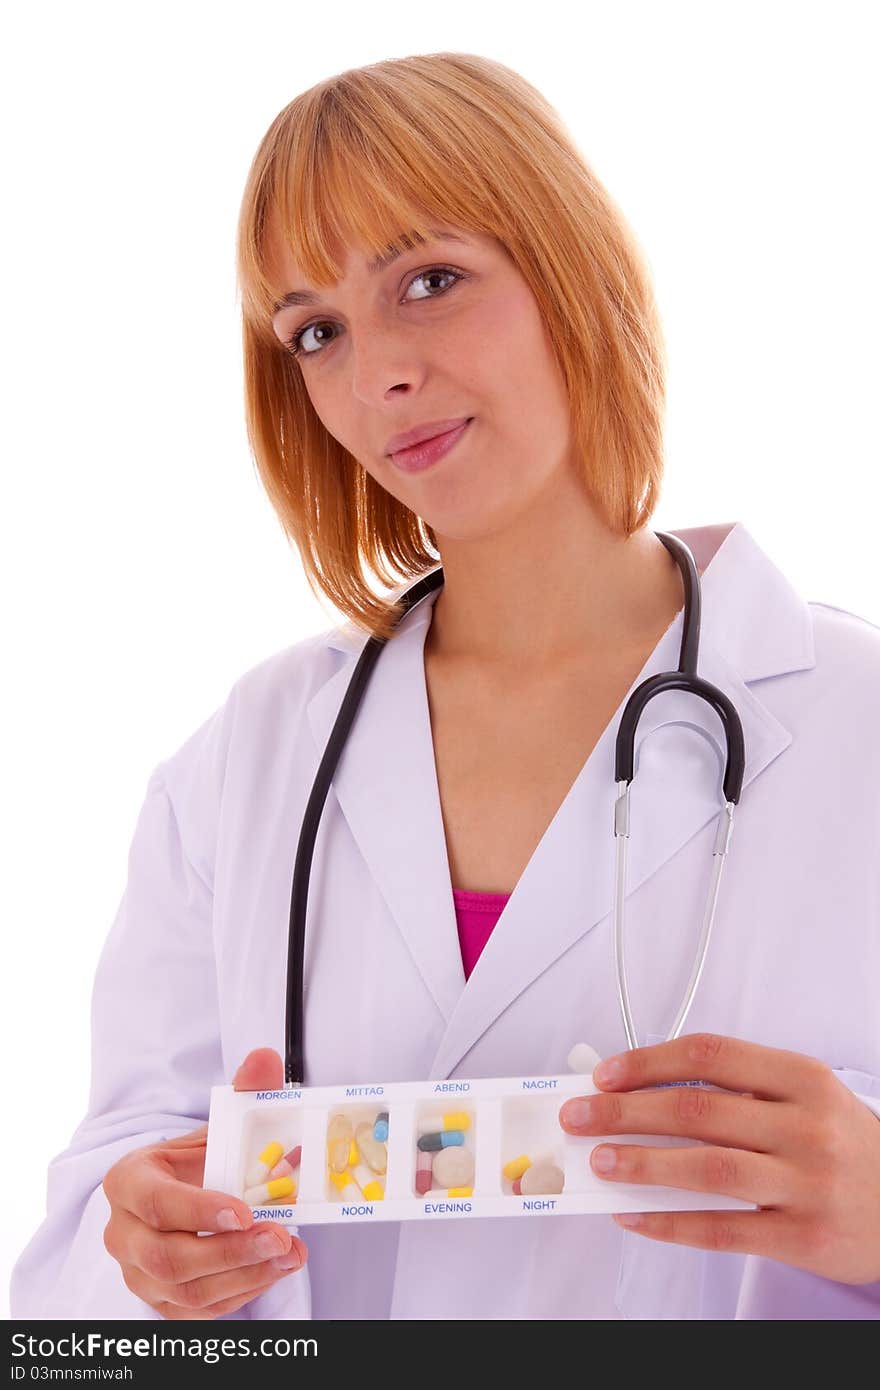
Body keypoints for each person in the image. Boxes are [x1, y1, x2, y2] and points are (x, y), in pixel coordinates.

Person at [10, 51, 880, 1322]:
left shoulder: (851, 723)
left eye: (430, 280)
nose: (377, 379)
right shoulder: (245, 765)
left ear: (569, 268)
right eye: (318, 331)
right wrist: (144, 1256)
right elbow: (71, 1273)